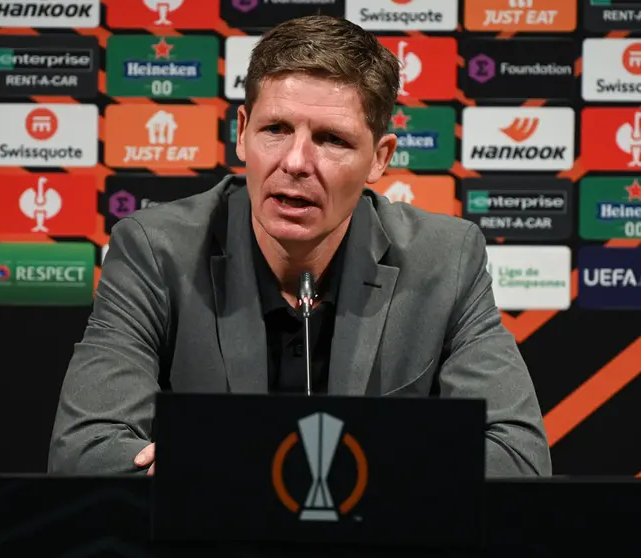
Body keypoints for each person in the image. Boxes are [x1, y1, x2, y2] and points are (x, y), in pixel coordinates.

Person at [47, 15, 552, 478]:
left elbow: (518, 459)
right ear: (242, 134)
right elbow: (83, 450)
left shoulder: (445, 258)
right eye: (276, 129)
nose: (295, 161)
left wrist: (222, 469)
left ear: (380, 158)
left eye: (331, 139)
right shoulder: (155, 251)